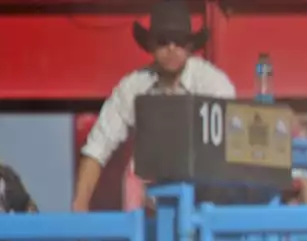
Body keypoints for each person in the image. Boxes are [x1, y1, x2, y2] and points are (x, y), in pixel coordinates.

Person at [72, 0, 235, 212]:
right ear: (150, 45)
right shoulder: (132, 87)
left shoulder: (213, 84)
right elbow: (97, 148)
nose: (171, 48)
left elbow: (230, 146)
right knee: (133, 174)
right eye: (162, 41)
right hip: (148, 202)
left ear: (190, 46)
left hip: (205, 199)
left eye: (179, 41)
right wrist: (80, 206)